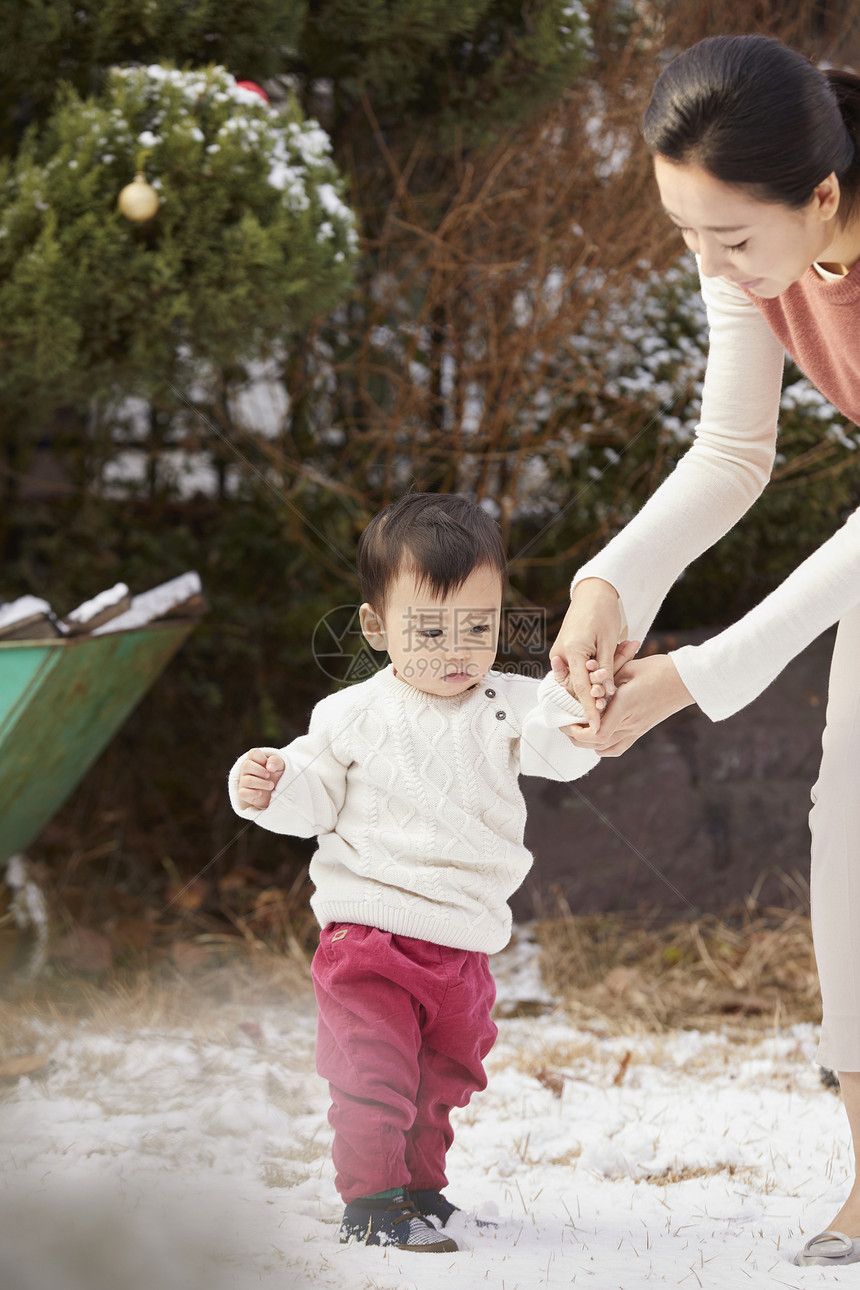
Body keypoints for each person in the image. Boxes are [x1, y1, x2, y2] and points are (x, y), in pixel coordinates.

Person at [549, 33, 860, 1270]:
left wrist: (705, 672)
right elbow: (732, 452)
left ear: (822, 198)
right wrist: (608, 583)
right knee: (850, 821)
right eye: (686, 233)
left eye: (731, 239)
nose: (710, 264)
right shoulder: (746, 247)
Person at [227, 492, 625, 1254]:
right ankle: (372, 1201)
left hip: (462, 943)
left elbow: (562, 751)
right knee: (372, 1075)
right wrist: (272, 786)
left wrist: (581, 710)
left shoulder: (511, 704)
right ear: (377, 628)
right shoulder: (348, 713)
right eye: (429, 629)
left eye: (478, 627)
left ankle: (419, 1185)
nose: (456, 649)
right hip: (368, 938)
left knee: (444, 1077)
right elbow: (311, 794)